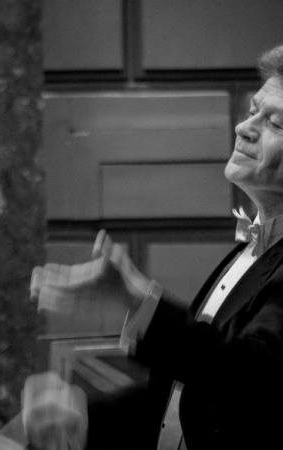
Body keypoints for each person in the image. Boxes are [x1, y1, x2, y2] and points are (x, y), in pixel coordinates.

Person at [23, 44, 283, 450]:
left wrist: (140, 301)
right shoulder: (246, 251)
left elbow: (248, 379)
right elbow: (190, 392)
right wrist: (83, 420)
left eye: (275, 123)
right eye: (252, 111)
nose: (244, 128)